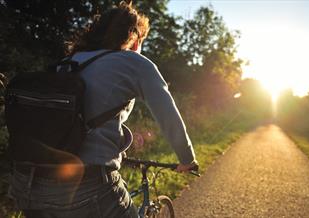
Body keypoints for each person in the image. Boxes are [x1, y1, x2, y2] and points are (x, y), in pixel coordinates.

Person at [9, 1, 198, 217]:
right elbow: (168, 116)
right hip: (86, 187)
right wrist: (187, 159)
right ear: (134, 39)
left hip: (27, 187)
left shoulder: (69, 62)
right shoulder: (135, 62)